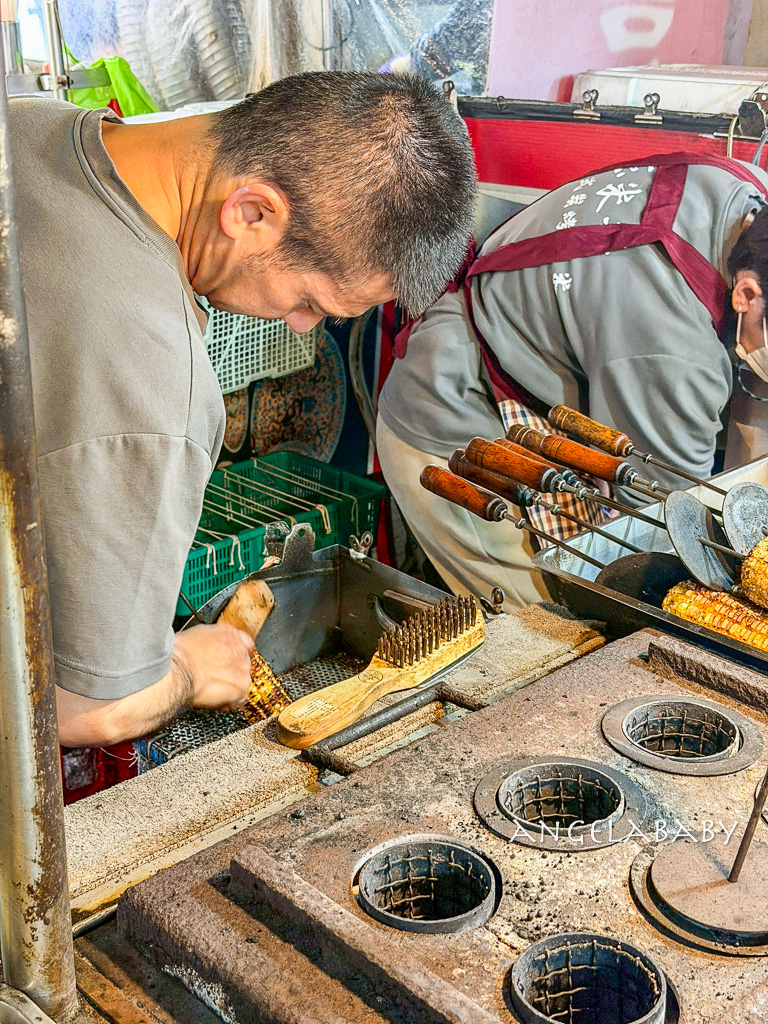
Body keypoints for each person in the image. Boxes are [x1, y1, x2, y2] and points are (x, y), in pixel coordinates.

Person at [13, 70, 476, 746]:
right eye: (310, 301)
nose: (297, 325)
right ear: (251, 213)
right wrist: (188, 670)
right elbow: (84, 709)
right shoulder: (149, 375)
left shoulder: (24, 118)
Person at [377, 153, 768, 609]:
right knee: (548, 627)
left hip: (535, 369)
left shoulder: (748, 194)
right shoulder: (672, 346)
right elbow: (663, 521)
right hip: (454, 413)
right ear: (746, 294)